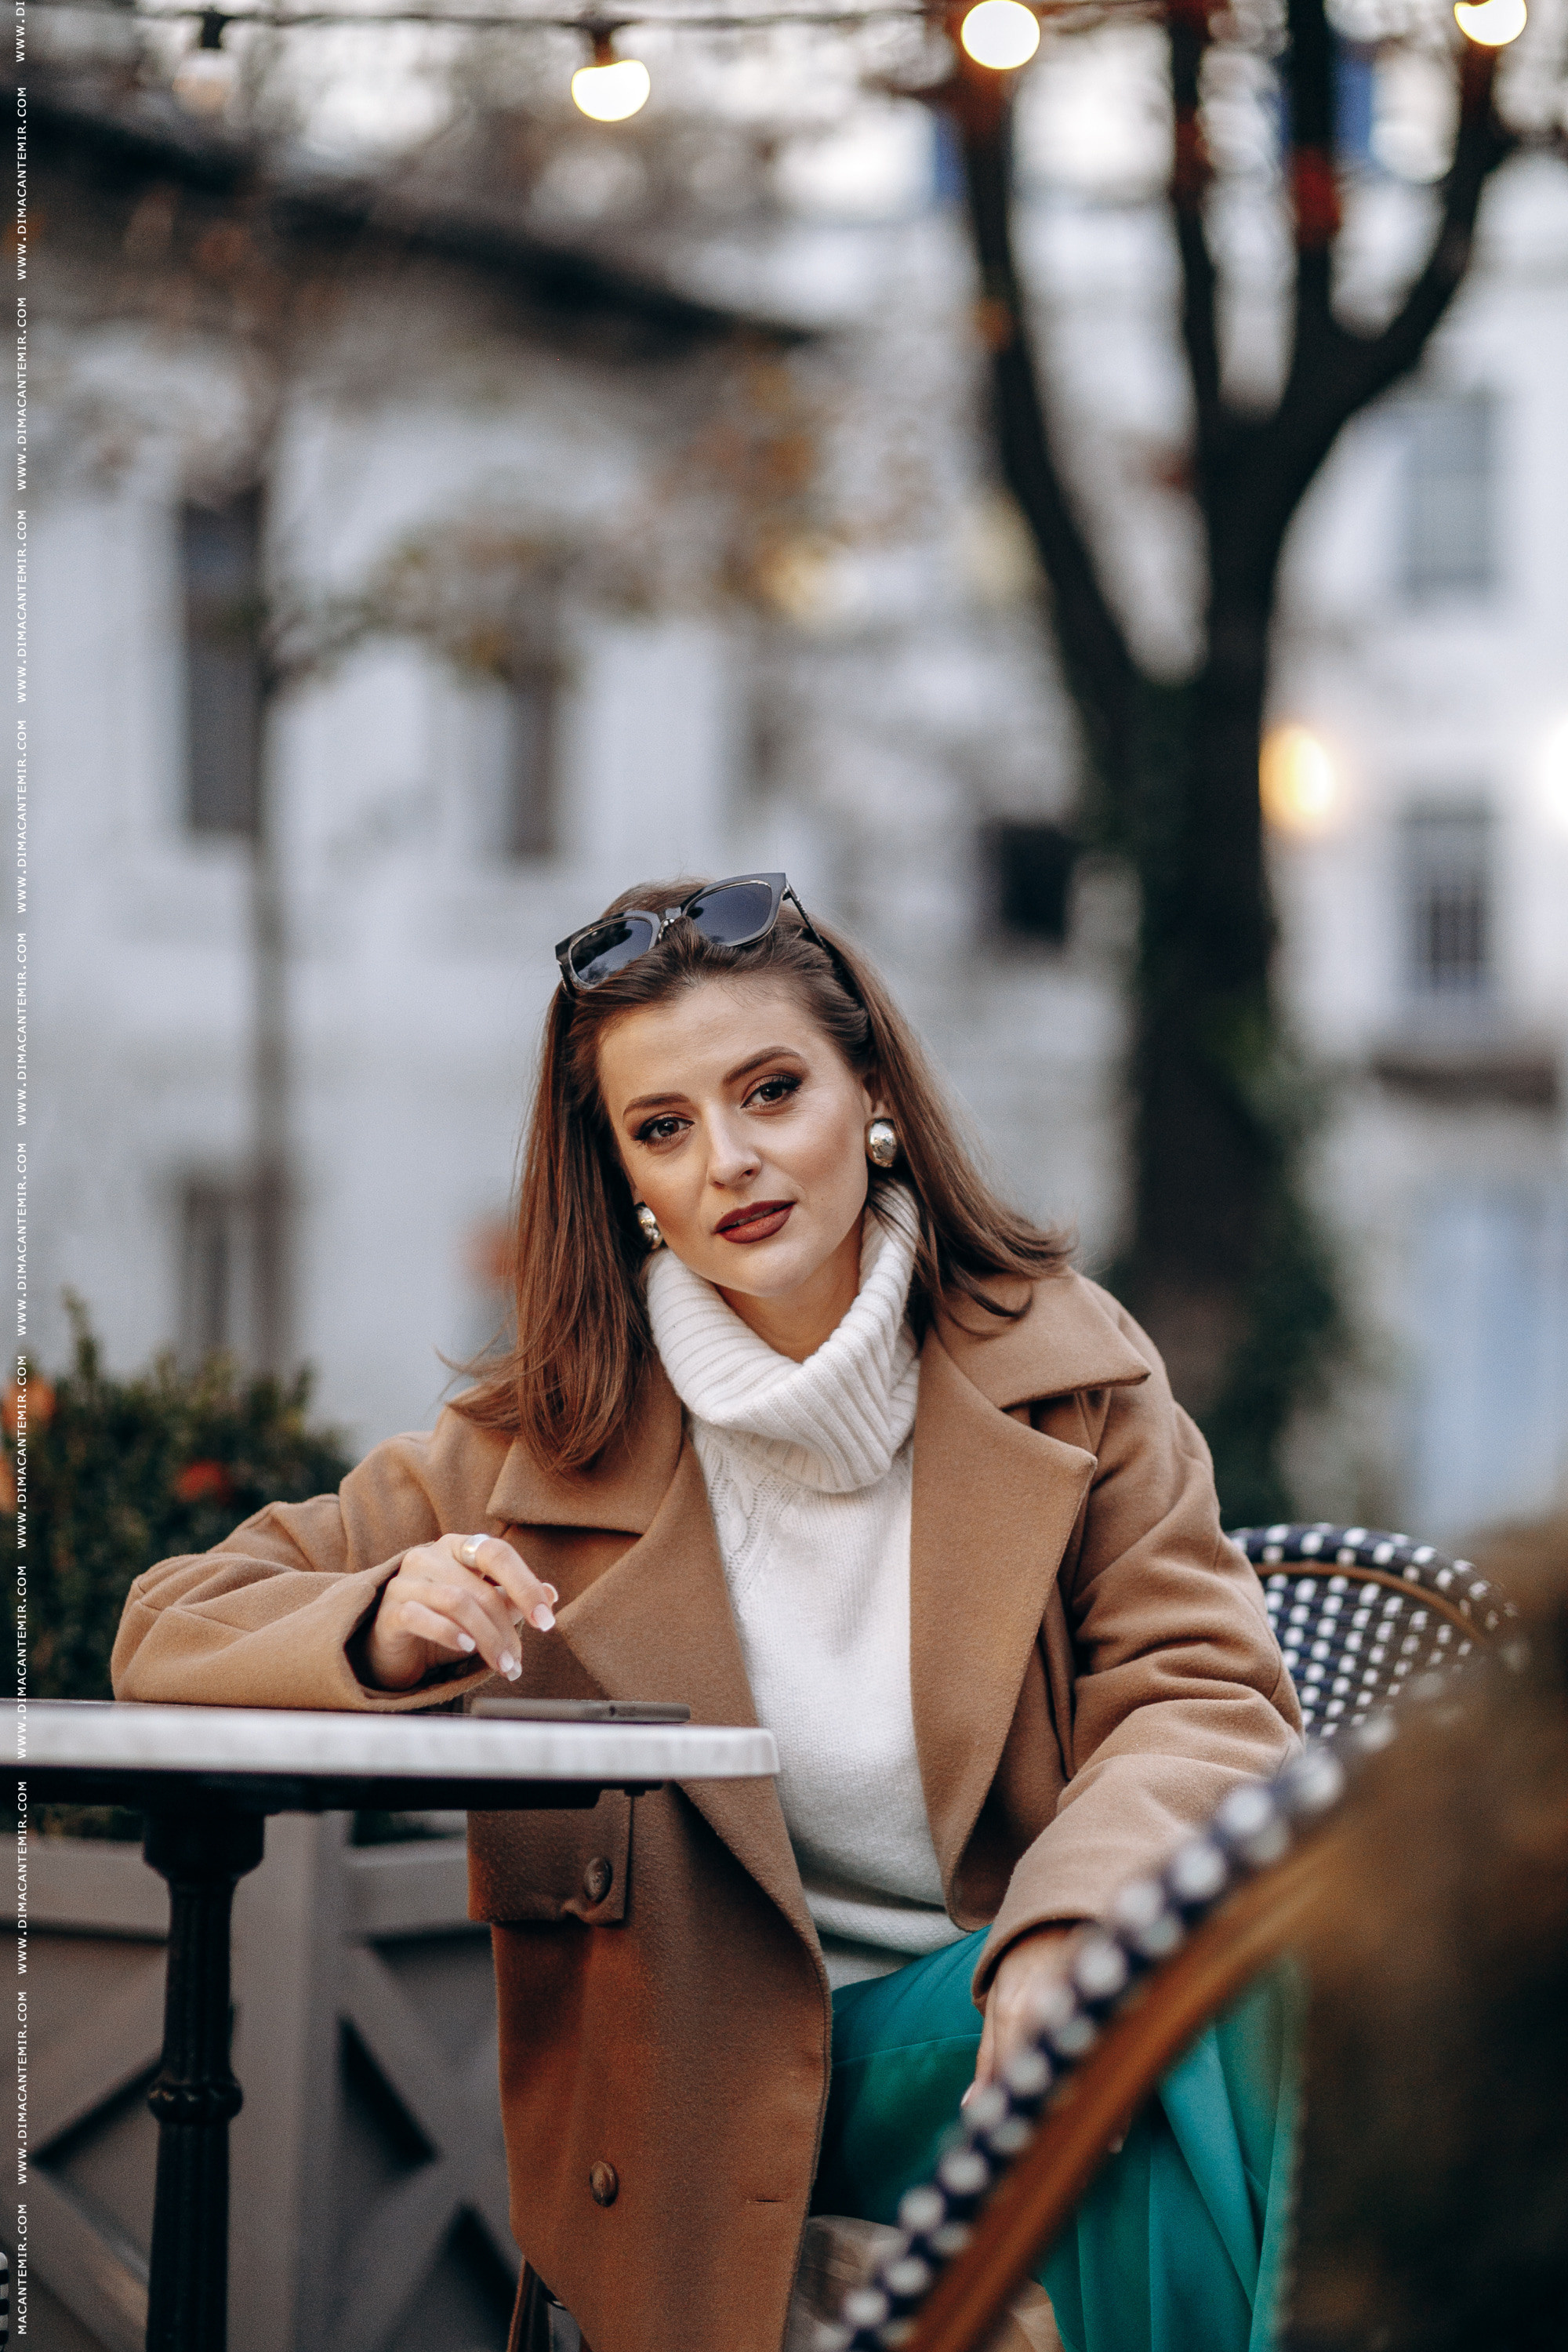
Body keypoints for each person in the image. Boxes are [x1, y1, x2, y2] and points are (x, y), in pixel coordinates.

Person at [112, 873, 1301, 2352]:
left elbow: (1204, 1693)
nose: (730, 1160)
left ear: (871, 1092)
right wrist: (381, 1617)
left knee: (1186, 2023)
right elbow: (170, 1619)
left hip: (1020, 2016)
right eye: (663, 1128)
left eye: (772, 1090)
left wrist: (1072, 1929)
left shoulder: (1071, 1370)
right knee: (1215, 2034)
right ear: (624, 1177)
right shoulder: (537, 1443)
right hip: (713, 2092)